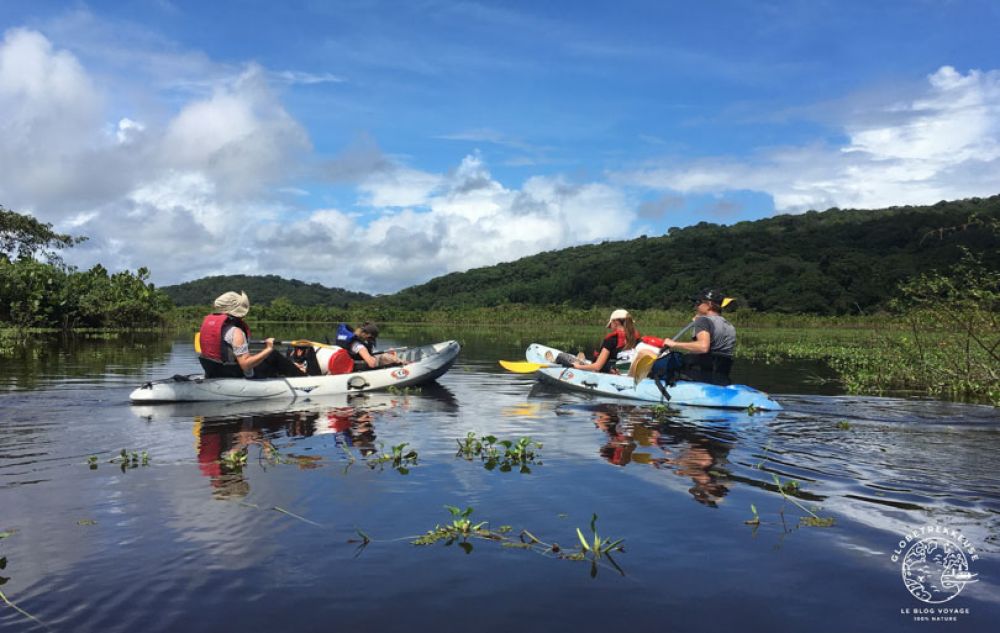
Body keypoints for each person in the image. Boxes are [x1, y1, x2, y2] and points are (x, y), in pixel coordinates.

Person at [197, 291, 308, 379]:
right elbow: (245, 365)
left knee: (264, 356)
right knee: (272, 354)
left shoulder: (207, 326)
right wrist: (268, 348)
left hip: (216, 372)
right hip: (239, 375)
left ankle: (294, 368)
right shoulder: (235, 332)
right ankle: (303, 378)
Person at [659, 288, 736, 386]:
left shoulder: (703, 321)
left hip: (699, 376)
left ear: (709, 304)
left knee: (666, 364)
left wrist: (673, 344)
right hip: (720, 376)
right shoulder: (729, 325)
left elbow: (703, 347)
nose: (696, 306)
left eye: (698, 302)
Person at [550, 309, 640, 374]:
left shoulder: (611, 340)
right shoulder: (637, 338)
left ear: (615, 322)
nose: (611, 328)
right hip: (625, 371)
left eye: (611, 324)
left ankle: (555, 361)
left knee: (561, 356)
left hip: (605, 370)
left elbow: (597, 367)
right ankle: (581, 360)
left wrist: (577, 367)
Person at [335, 321, 406, 370]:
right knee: (384, 357)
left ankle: (399, 361)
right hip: (357, 366)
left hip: (351, 362)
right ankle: (405, 364)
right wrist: (380, 358)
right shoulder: (358, 346)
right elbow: (371, 364)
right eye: (371, 339)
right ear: (368, 335)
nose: (370, 341)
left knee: (386, 354)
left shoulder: (350, 339)